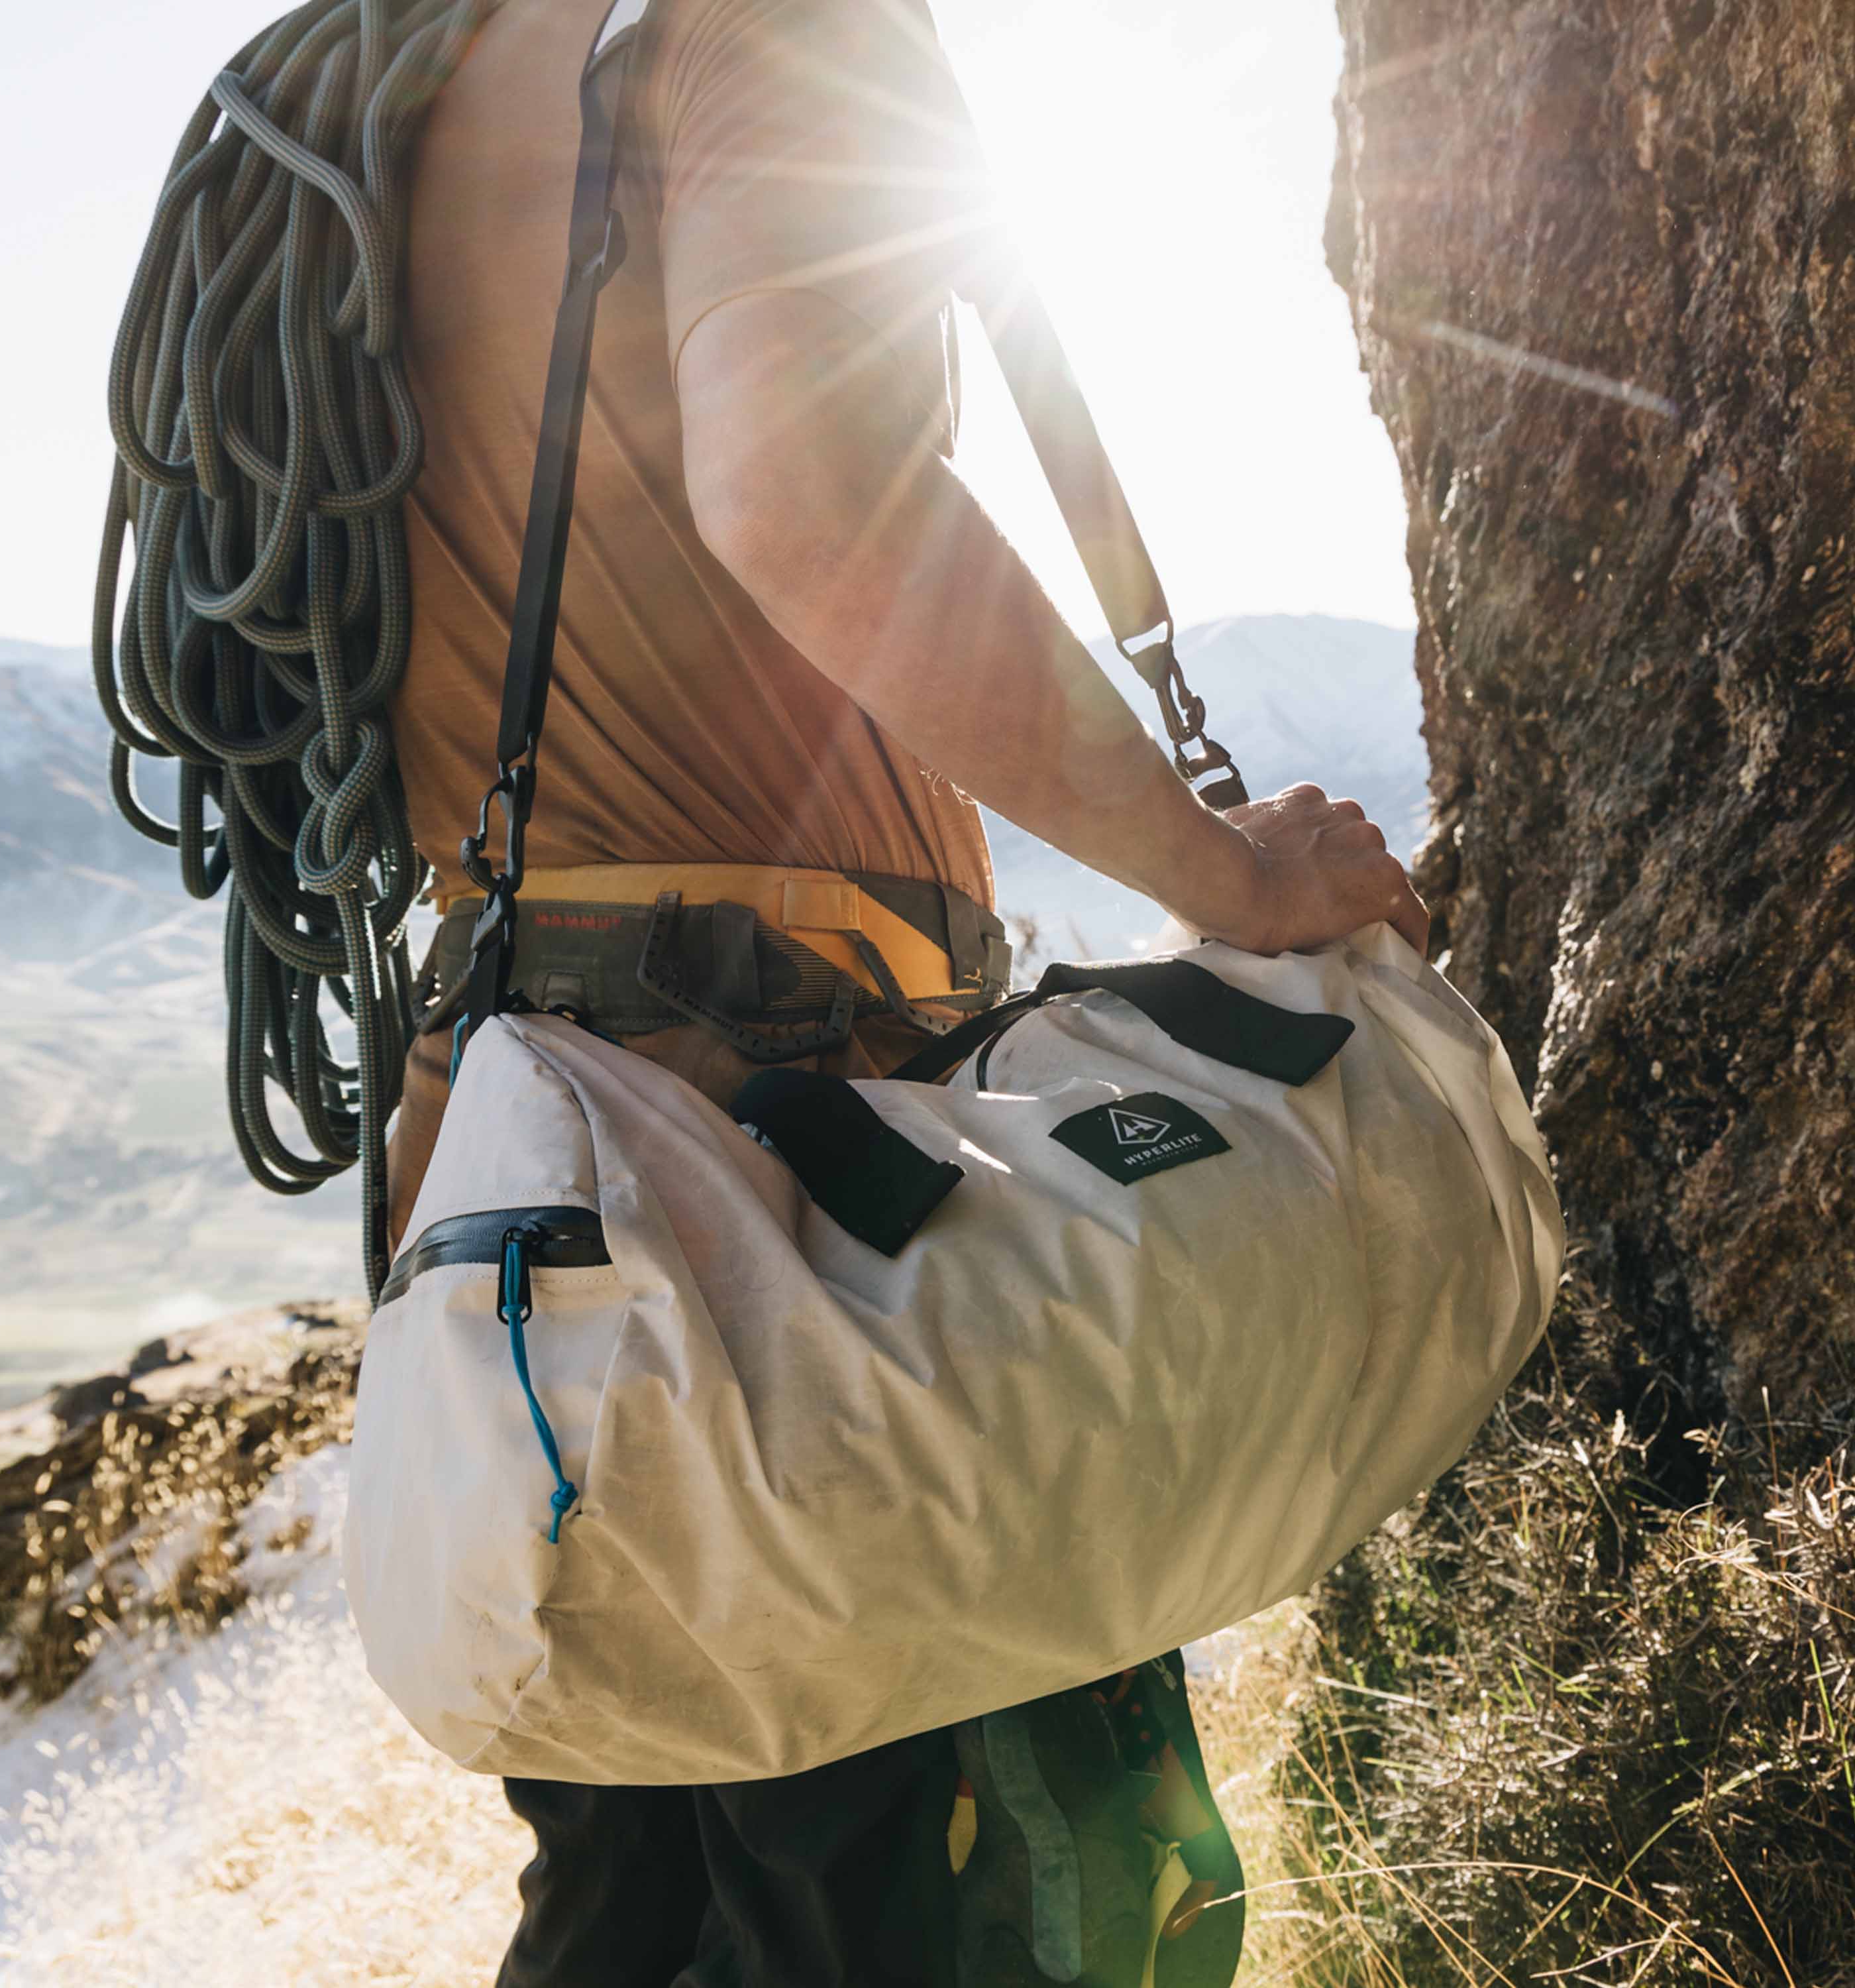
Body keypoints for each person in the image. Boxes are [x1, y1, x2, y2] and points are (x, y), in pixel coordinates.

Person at [382, 1, 1426, 1981]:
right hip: (774, 1150)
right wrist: (1235, 874)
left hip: (507, 1148)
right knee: (958, 1904)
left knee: (640, 1903)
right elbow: (804, 497)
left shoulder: (384, 77)